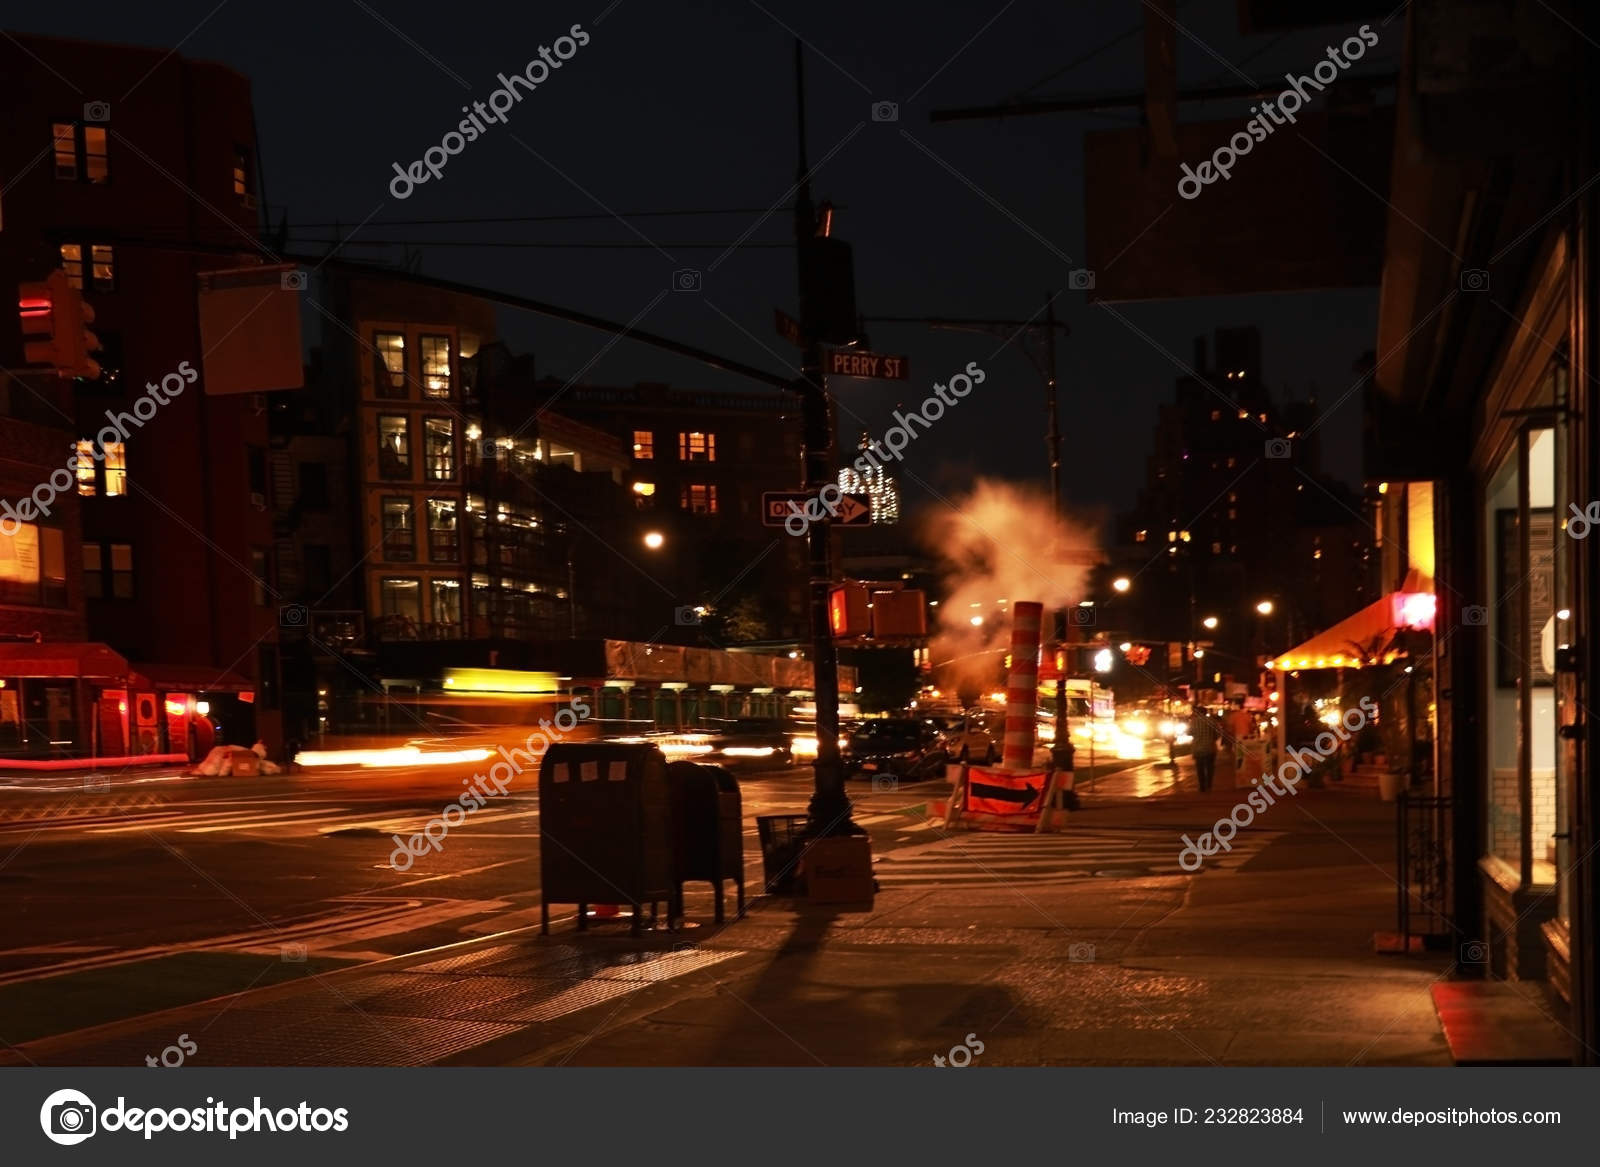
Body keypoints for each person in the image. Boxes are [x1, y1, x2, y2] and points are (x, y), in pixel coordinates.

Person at [1190, 706, 1221, 792]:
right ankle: (1209, 785)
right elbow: (1218, 734)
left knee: (1200, 768)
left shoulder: (1194, 722)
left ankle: (1202, 786)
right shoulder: (1212, 721)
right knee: (1210, 767)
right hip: (1210, 748)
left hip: (1198, 748)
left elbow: (1189, 732)